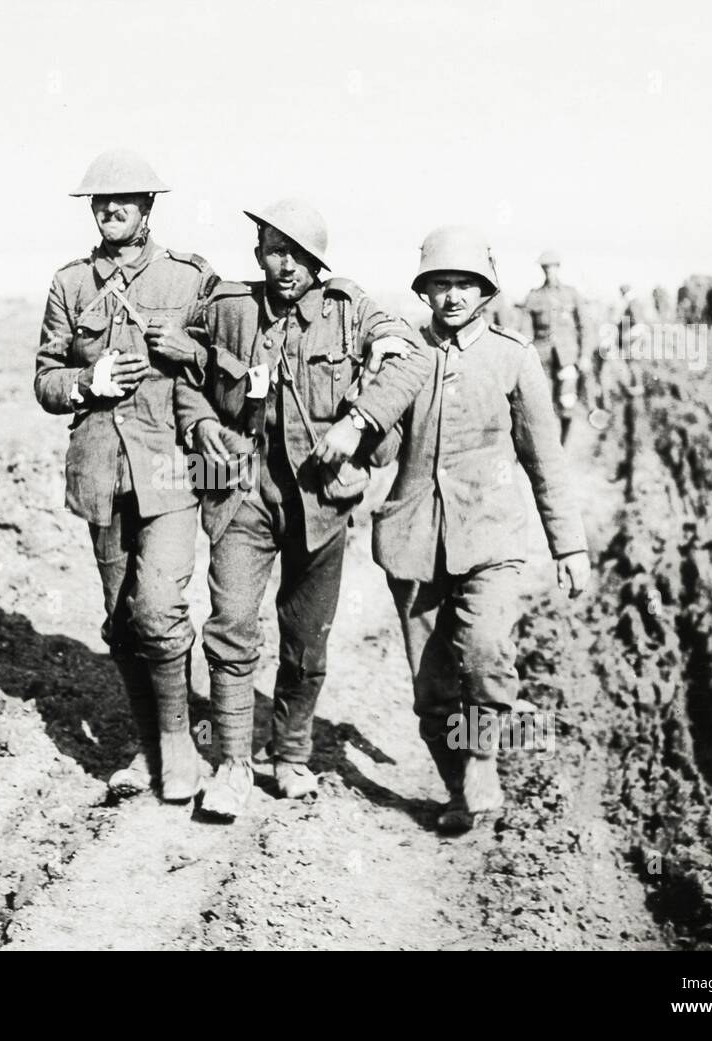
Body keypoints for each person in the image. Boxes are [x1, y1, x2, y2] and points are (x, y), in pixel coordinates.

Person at [313, 226, 591, 833]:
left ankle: (484, 759)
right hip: (414, 539)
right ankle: (458, 788)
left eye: (465, 283)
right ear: (425, 292)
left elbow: (545, 459)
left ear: (485, 291)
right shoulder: (406, 358)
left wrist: (568, 545)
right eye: (440, 284)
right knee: (432, 692)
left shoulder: (512, 357)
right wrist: (365, 412)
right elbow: (382, 453)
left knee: (487, 650)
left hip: (491, 536)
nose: (453, 295)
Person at [174, 198, 418, 820]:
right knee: (230, 626)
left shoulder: (348, 309)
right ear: (258, 253)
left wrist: (360, 420)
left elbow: (410, 359)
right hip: (241, 493)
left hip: (320, 498)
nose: (286, 267)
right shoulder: (230, 309)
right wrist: (201, 424)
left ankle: (290, 752)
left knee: (306, 641)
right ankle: (232, 765)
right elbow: (187, 374)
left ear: (318, 263)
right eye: (275, 251)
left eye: (299, 256)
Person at [35, 149, 218, 803]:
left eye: (125, 201)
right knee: (121, 620)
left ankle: (179, 750)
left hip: (169, 468)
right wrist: (87, 380)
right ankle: (150, 748)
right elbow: (45, 377)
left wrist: (189, 348)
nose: (111, 210)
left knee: (159, 609)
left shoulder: (189, 279)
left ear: (149, 208)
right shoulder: (70, 284)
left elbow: (229, 356)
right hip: (100, 471)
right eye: (100, 202)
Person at [524, 250, 596, 442]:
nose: (550, 272)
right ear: (542, 270)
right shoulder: (534, 297)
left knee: (567, 403)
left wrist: (586, 355)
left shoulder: (571, 294)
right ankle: (546, 446)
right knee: (542, 404)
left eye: (553, 267)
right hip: (542, 359)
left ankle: (564, 447)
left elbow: (586, 326)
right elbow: (524, 332)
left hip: (568, 357)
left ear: (558, 268)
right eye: (546, 268)